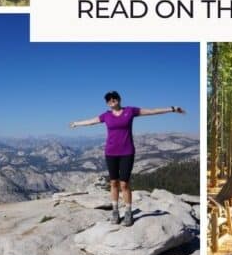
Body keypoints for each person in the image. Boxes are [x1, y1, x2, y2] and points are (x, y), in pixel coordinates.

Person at [70, 91, 185, 226]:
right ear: (107, 103)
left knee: (124, 184)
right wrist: (77, 123)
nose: (112, 101)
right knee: (113, 183)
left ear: (119, 99)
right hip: (110, 152)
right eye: (109, 100)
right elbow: (91, 121)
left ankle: (129, 212)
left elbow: (151, 111)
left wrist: (171, 109)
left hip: (127, 152)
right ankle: (115, 211)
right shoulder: (106, 116)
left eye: (115, 98)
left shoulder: (130, 111)